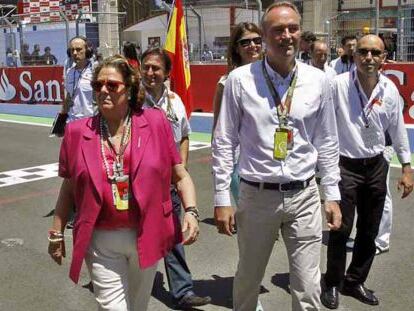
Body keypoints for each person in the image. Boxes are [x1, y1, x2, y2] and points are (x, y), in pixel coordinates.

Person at [212, 2, 342, 310]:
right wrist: (221, 198)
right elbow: (224, 140)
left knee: (308, 286)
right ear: (265, 36)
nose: (287, 36)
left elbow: (327, 140)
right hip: (257, 196)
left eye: (293, 28)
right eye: (278, 30)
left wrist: (332, 193)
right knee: (248, 277)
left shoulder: (319, 81)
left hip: (304, 194)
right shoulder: (240, 80)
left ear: (301, 33)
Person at [47, 55, 200, 311]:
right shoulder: (77, 132)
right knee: (113, 308)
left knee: (137, 307)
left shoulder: (154, 122)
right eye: (98, 85)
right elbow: (70, 188)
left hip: (146, 233)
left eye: (112, 85)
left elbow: (180, 174)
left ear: (128, 89)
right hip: (100, 239)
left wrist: (192, 212)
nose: (103, 90)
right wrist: (56, 231)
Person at [321, 34, 413, 309]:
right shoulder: (336, 85)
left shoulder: (389, 90)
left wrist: (407, 167)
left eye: (375, 53)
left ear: (384, 58)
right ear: (355, 55)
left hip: (375, 165)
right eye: (363, 52)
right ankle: (333, 283)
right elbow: (324, 127)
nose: (369, 58)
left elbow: (398, 130)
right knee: (341, 228)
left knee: (370, 230)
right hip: (344, 165)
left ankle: (354, 281)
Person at [140, 47, 211, 309]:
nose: (150, 73)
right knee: (136, 237)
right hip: (139, 184)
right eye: (146, 67)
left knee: (172, 238)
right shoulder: (133, 100)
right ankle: (130, 287)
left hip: (169, 182)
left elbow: (183, 137)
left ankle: (182, 292)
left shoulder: (174, 100)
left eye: (156, 68)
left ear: (167, 73)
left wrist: (181, 173)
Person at [212, 21, 262, 205]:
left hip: (266, 160)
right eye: (245, 42)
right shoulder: (226, 83)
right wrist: (219, 166)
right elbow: (218, 128)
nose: (252, 46)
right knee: (248, 214)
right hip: (236, 161)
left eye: (257, 40)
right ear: (236, 48)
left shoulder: (273, 79)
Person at [62, 36, 95, 122]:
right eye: (72, 50)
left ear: (87, 51)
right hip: (71, 122)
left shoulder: (95, 71)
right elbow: (67, 98)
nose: (75, 53)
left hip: (90, 122)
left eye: (78, 49)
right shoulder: (69, 72)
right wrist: (60, 120)